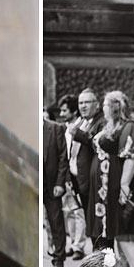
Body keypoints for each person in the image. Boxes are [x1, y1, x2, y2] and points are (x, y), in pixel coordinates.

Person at [93, 90, 134, 267]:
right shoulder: (116, 127)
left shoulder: (131, 126)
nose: (102, 108)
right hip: (119, 184)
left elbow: (132, 157)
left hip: (130, 184)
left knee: (129, 233)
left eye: (105, 104)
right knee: (121, 234)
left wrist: (124, 185)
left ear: (114, 107)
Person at [69, 87, 105, 250]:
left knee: (96, 223)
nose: (83, 106)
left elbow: (100, 146)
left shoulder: (101, 122)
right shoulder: (82, 121)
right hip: (79, 181)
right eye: (80, 103)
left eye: (87, 102)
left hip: (94, 183)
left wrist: (79, 134)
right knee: (89, 222)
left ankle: (101, 259)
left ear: (97, 105)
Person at [43, 105, 74, 267]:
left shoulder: (55, 128)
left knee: (56, 223)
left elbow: (63, 157)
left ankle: (58, 259)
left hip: (52, 183)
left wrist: (60, 182)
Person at [58, 95, 87, 257]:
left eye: (64, 110)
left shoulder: (82, 127)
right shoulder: (65, 127)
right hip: (68, 174)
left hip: (79, 174)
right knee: (68, 210)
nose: (61, 114)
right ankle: (72, 242)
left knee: (79, 211)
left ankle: (79, 246)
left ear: (74, 111)